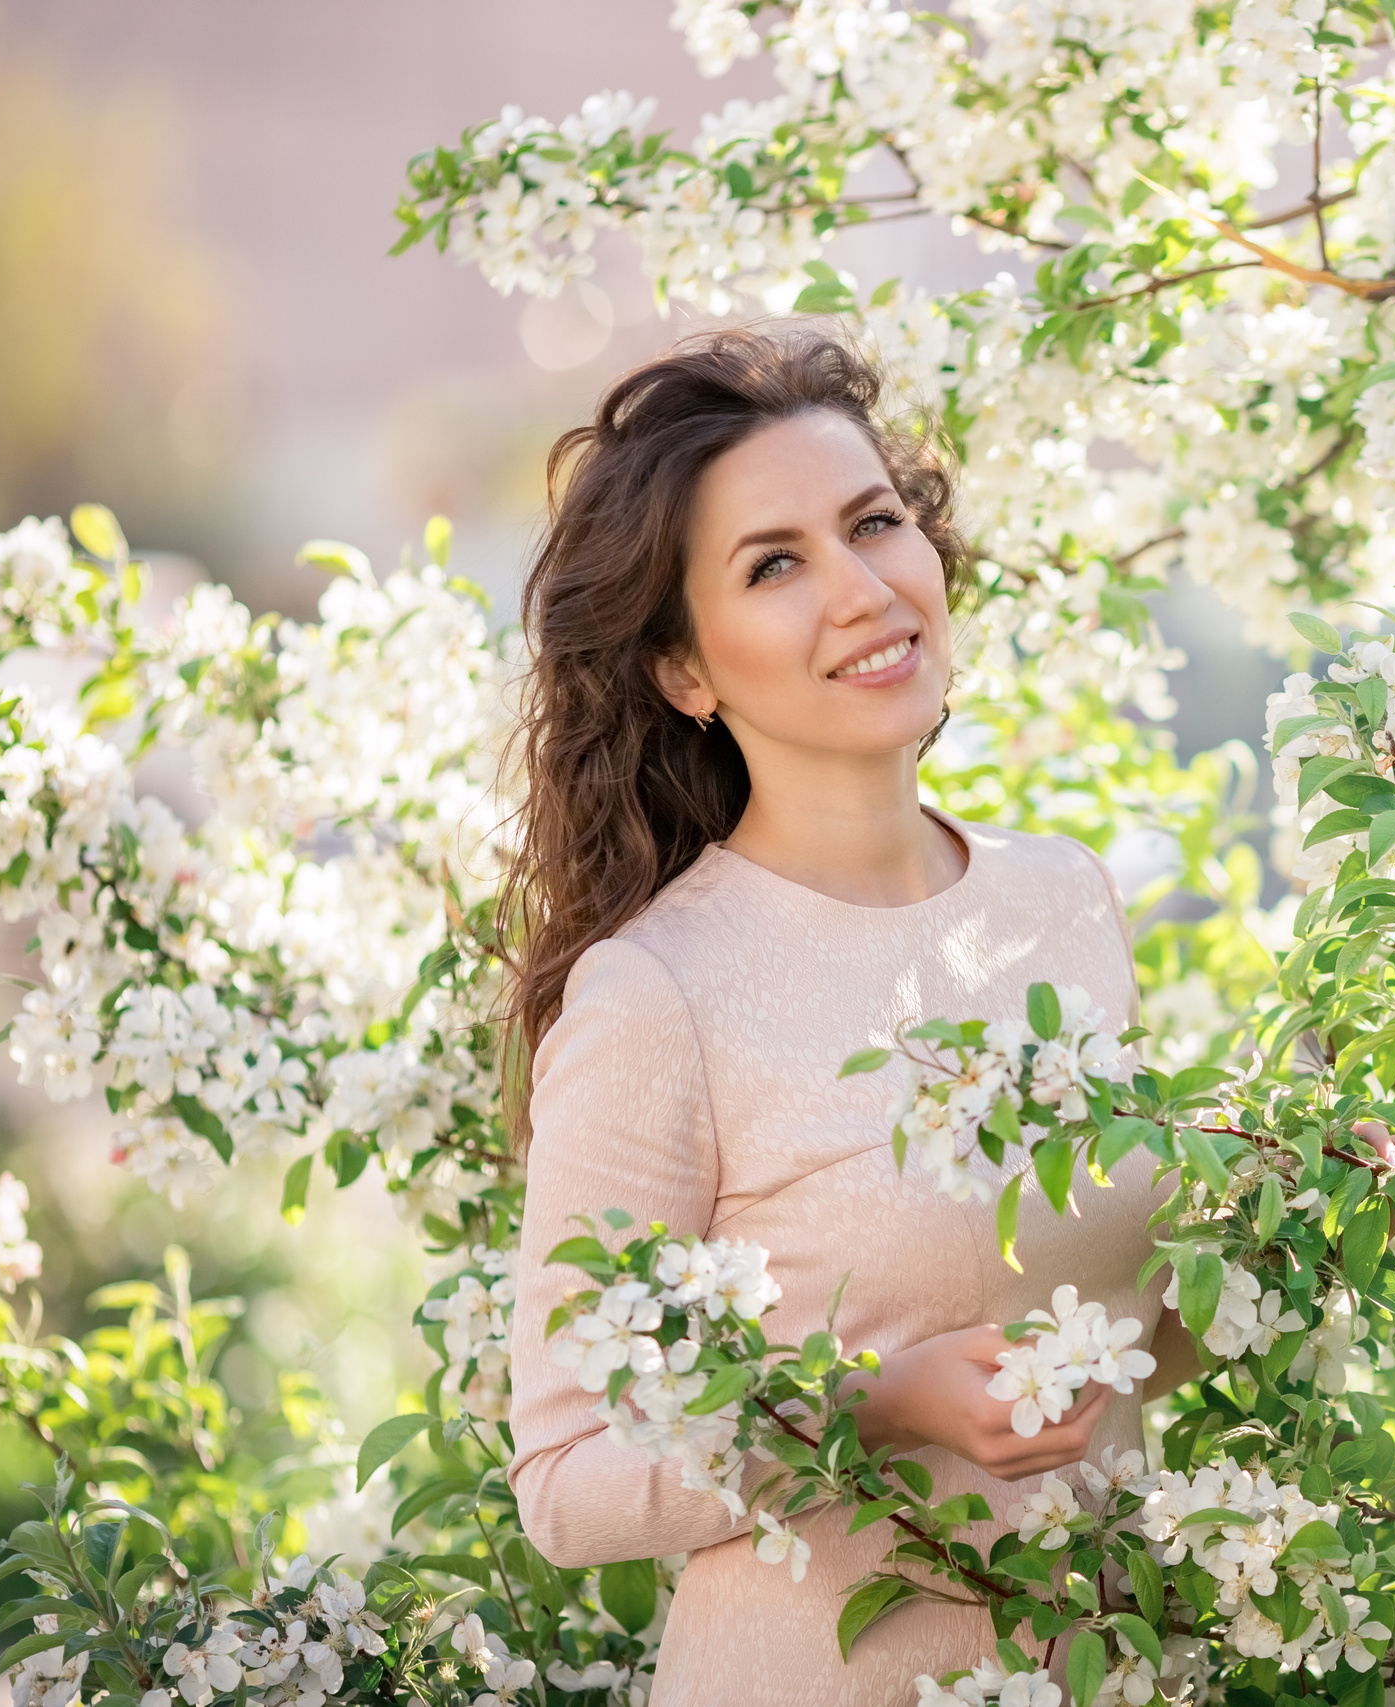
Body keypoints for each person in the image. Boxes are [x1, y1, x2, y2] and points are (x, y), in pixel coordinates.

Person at [497, 326, 1195, 1702]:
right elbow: (568, 1486)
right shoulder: (659, 996)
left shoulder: (1062, 900)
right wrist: (875, 1406)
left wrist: (1316, 1227)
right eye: (774, 565)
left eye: (874, 523)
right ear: (685, 672)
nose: (864, 590)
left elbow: (1123, 1346)